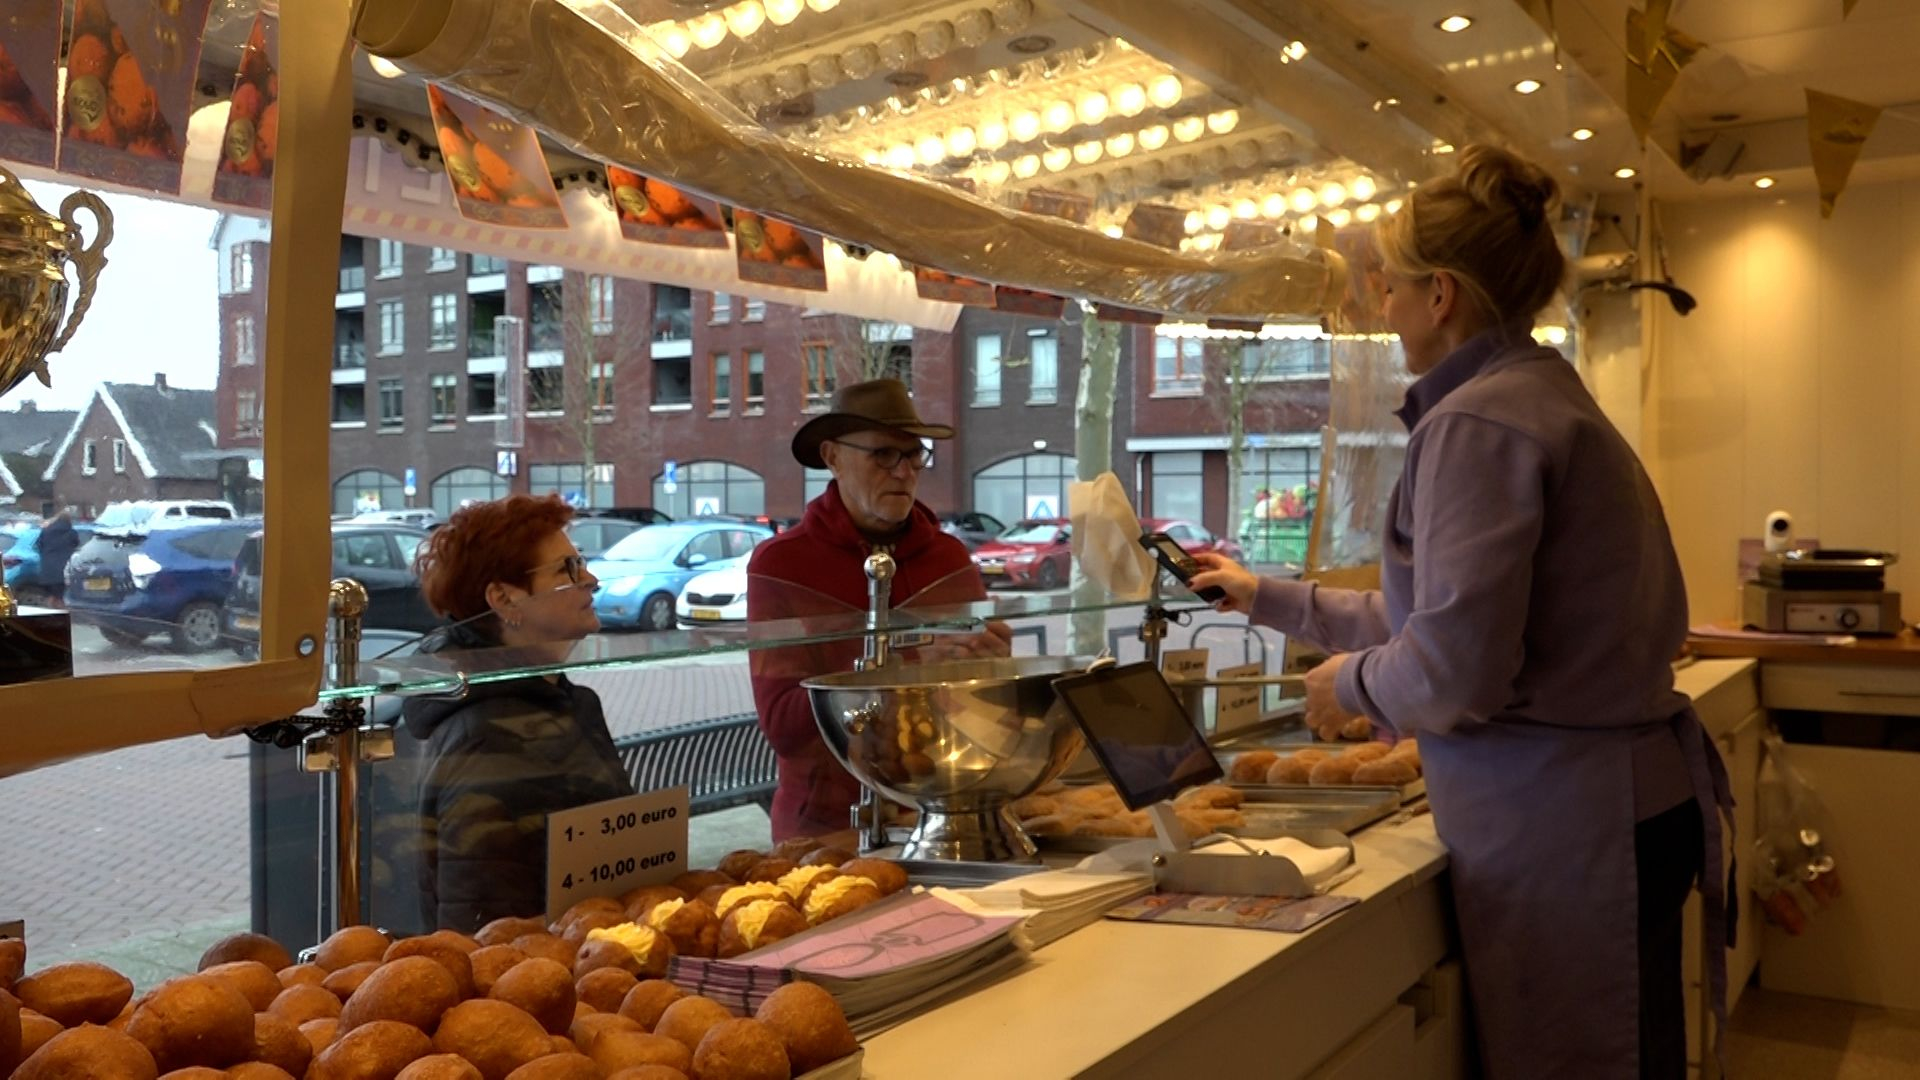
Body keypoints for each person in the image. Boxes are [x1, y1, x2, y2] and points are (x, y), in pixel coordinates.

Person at [1191, 145, 1729, 1080]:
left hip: (1568, 828)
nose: (1381, 306)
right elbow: (1450, 616)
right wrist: (1264, 594)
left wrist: (1346, 681)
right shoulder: (1539, 396)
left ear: (1441, 294)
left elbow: (1454, 666)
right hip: (1604, 808)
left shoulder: (1476, 423)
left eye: (1390, 285)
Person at [748, 378, 1010, 840]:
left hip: (941, 813)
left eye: (914, 455)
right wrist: (906, 667)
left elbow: (982, 714)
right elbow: (784, 727)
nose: (904, 472)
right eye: (883, 455)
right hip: (827, 828)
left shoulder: (949, 558)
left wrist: (993, 669)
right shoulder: (783, 564)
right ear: (832, 458)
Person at [398, 493, 633, 931]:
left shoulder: (570, 701)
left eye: (581, 564)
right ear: (504, 599)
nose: (593, 580)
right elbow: (482, 925)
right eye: (568, 569)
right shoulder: (486, 731)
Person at [31, 511, 78, 605]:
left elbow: (38, 545)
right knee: (62, 597)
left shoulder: (46, 531)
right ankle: (61, 616)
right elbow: (76, 545)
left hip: (47, 568)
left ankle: (50, 615)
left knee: (52, 596)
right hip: (64, 569)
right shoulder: (71, 532)